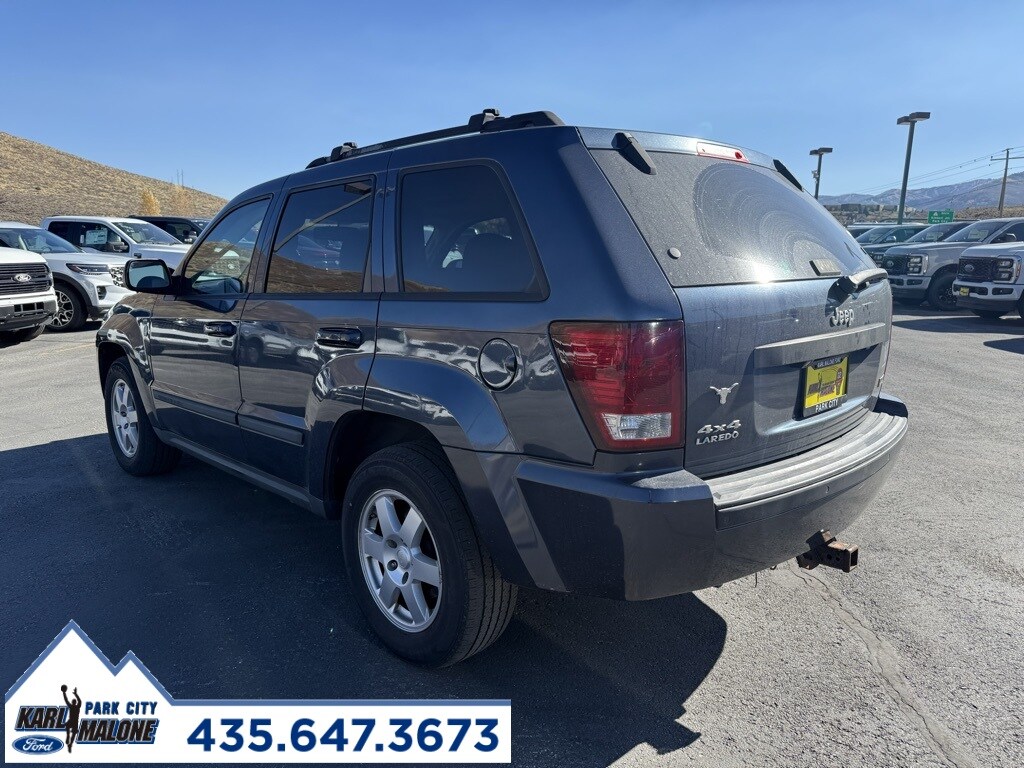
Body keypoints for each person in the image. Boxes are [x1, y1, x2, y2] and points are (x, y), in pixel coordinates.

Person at [61, 684, 82, 754]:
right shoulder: (75, 706)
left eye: (73, 701)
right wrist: (75, 694)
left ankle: (69, 743)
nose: (73, 702)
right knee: (71, 732)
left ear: (74, 702)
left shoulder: (74, 706)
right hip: (74, 722)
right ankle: (68, 738)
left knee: (71, 732)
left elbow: (67, 700)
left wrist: (75, 694)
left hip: (73, 721)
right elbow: (66, 700)